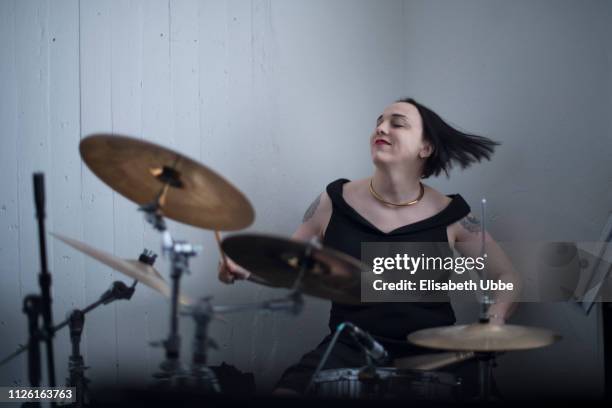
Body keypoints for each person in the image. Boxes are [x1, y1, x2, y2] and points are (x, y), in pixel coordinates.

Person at [218, 97, 519, 397]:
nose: (382, 128)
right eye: (379, 122)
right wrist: (244, 271)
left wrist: (493, 322)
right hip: (351, 345)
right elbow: (286, 266)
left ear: (425, 148)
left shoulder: (452, 215)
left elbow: (507, 276)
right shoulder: (331, 201)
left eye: (397, 123)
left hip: (437, 350)